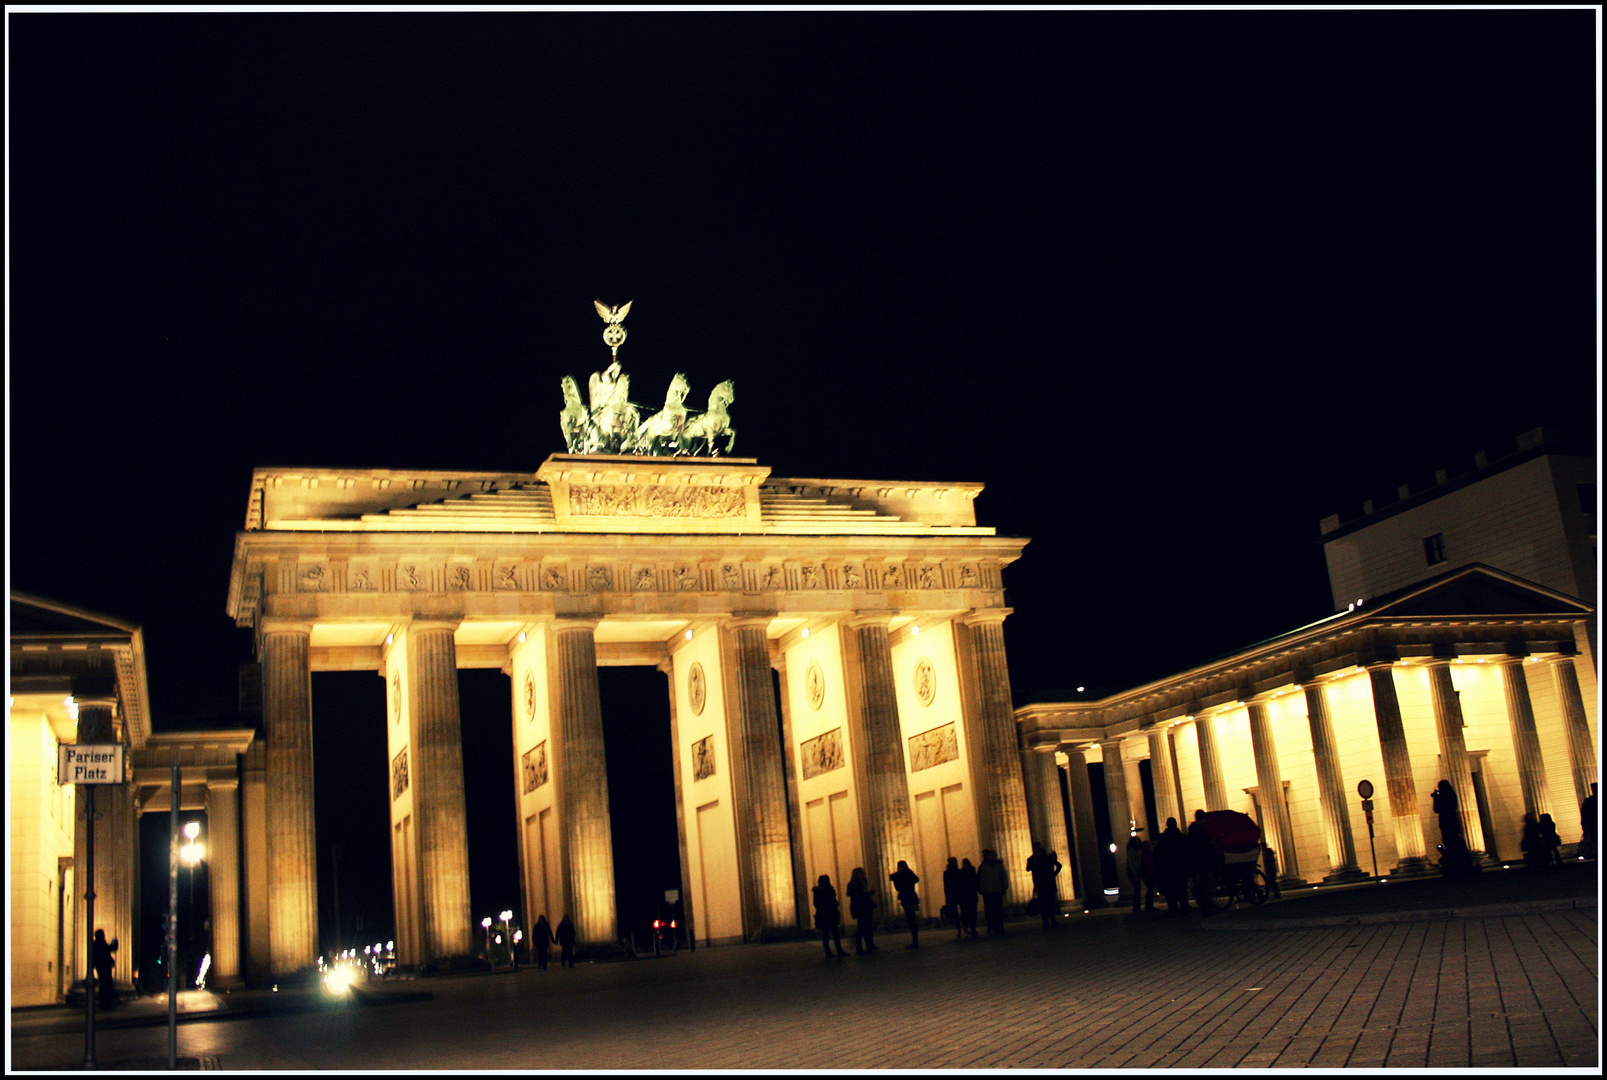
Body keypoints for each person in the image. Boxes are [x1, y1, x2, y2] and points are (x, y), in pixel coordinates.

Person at [1432, 780, 1474, 876]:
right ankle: (1458, 862)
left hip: (1446, 821)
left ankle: (1456, 863)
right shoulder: (1451, 795)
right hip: (1451, 821)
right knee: (1453, 841)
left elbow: (1436, 809)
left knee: (1450, 841)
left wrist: (1436, 798)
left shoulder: (1444, 796)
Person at [1186, 810, 1219, 915]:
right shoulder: (1200, 831)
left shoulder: (1192, 832)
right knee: (1207, 886)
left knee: (1202, 887)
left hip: (1198, 864)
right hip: (1204, 863)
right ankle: (1207, 908)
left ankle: (1205, 907)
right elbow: (1203, 846)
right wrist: (1211, 843)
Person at [1155, 817, 1188, 916]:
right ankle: (1184, 909)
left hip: (1168, 869)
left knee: (1171, 891)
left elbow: (1159, 855)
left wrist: (1160, 870)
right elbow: (1187, 853)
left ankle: (1173, 910)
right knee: (1182, 890)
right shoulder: (1182, 838)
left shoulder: (1163, 839)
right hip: (1180, 867)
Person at [1026, 842, 1062, 929]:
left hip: (1047, 883)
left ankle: (1052, 919)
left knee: (1050, 903)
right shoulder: (1033, 860)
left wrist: (1053, 874)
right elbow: (1028, 869)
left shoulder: (1047, 859)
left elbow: (1059, 865)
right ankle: (1046, 921)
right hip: (1041, 884)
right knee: (1043, 904)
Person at [813, 875, 849, 958]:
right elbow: (834, 901)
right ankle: (839, 950)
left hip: (823, 914)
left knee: (826, 934)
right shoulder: (830, 890)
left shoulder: (817, 892)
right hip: (831, 913)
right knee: (835, 933)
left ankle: (828, 952)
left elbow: (816, 904)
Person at [846, 867, 879, 954]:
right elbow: (855, 895)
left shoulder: (863, 881)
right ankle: (859, 947)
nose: (863, 874)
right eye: (861, 873)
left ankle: (869, 944)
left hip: (866, 905)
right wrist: (868, 894)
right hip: (860, 907)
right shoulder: (853, 883)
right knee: (861, 927)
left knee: (868, 926)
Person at [890, 860, 921, 948]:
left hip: (907, 898)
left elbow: (898, 887)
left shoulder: (903, 874)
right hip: (909, 897)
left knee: (911, 920)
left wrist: (899, 876)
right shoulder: (907, 873)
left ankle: (915, 941)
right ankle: (915, 940)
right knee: (911, 920)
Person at [977, 848, 1009, 934]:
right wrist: (983, 889)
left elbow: (1003, 877)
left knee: (998, 910)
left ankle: (1000, 926)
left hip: (997, 890)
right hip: (988, 891)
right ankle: (993, 926)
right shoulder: (984, 866)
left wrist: (1004, 887)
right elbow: (983, 879)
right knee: (991, 910)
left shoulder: (999, 865)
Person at [1125, 832, 1150, 913]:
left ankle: (1137, 906)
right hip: (1134, 871)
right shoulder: (1132, 851)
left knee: (1137, 889)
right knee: (1137, 889)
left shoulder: (1136, 850)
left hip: (1135, 871)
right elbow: (1132, 862)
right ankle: (1136, 907)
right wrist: (1135, 873)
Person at [92, 929, 117, 1010]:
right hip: (104, 966)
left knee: (104, 985)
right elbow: (109, 949)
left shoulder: (95, 944)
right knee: (106, 985)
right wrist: (115, 943)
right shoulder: (100, 943)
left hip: (100, 966)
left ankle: (105, 1004)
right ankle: (106, 1004)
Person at [957, 858, 981, 937]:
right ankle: (967, 926)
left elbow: (976, 881)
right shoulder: (961, 872)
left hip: (971, 895)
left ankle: (973, 928)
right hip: (964, 896)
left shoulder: (972, 871)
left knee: (972, 913)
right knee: (965, 912)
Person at [942, 857, 964, 938]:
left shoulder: (959, 871)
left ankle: (963, 927)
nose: (954, 863)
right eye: (953, 862)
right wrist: (947, 897)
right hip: (952, 894)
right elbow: (946, 885)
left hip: (960, 893)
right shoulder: (947, 873)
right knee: (955, 913)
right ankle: (959, 928)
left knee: (963, 911)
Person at [1581, 783, 1598, 862]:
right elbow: (1584, 814)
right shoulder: (1589, 801)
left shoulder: (1589, 801)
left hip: (1593, 824)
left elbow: (1584, 814)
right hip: (1593, 824)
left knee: (1596, 840)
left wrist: (1584, 825)